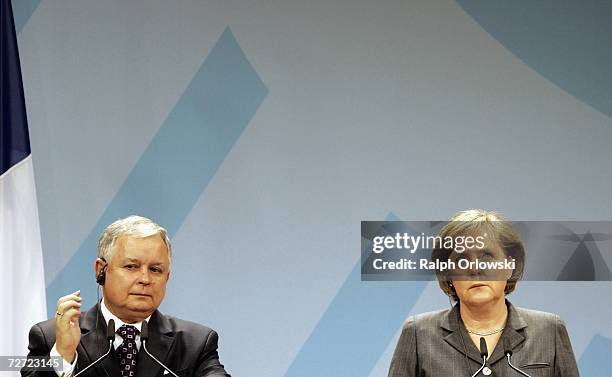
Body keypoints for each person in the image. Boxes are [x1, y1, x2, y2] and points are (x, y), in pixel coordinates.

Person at [22, 215, 231, 377]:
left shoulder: (195, 343)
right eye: (131, 266)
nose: (145, 279)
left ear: (167, 277)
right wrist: (63, 355)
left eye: (156, 270)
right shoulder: (49, 337)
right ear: (101, 270)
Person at [388, 209, 580, 377]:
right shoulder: (418, 333)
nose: (475, 269)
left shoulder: (549, 330)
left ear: (509, 267)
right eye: (462, 259)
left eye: (487, 257)